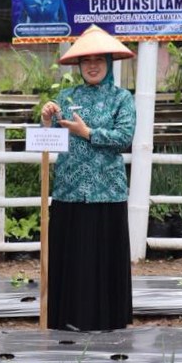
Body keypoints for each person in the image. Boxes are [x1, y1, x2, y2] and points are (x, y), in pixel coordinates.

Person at [39, 25, 136, 331]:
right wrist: (46, 121)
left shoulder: (122, 98)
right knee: (73, 256)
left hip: (107, 190)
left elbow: (124, 137)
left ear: (108, 63)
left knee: (104, 257)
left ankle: (107, 319)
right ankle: (67, 317)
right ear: (79, 65)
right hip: (69, 189)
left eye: (98, 60)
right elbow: (49, 142)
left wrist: (88, 132)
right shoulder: (66, 96)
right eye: (86, 61)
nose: (92, 66)